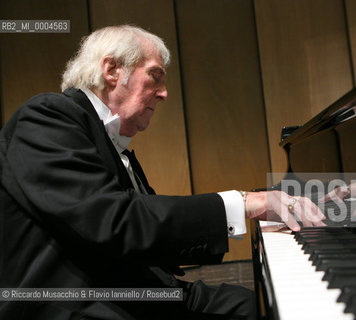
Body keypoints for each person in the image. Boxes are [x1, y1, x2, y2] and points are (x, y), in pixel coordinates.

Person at [0, 25, 325, 320]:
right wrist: (245, 204)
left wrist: (304, 206)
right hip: (82, 307)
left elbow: (153, 235)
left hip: (141, 293)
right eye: (155, 76)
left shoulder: (112, 141)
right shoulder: (47, 117)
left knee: (263, 305)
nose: (165, 92)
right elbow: (117, 221)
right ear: (112, 70)